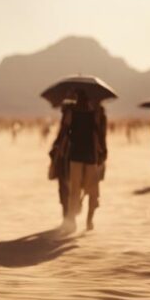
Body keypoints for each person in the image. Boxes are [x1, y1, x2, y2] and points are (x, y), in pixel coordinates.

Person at [64, 90, 107, 231]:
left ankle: (75, 220)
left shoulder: (73, 114)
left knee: (75, 189)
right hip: (89, 156)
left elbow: (66, 132)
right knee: (92, 190)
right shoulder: (93, 114)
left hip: (78, 155)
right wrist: (102, 151)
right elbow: (98, 135)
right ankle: (88, 220)